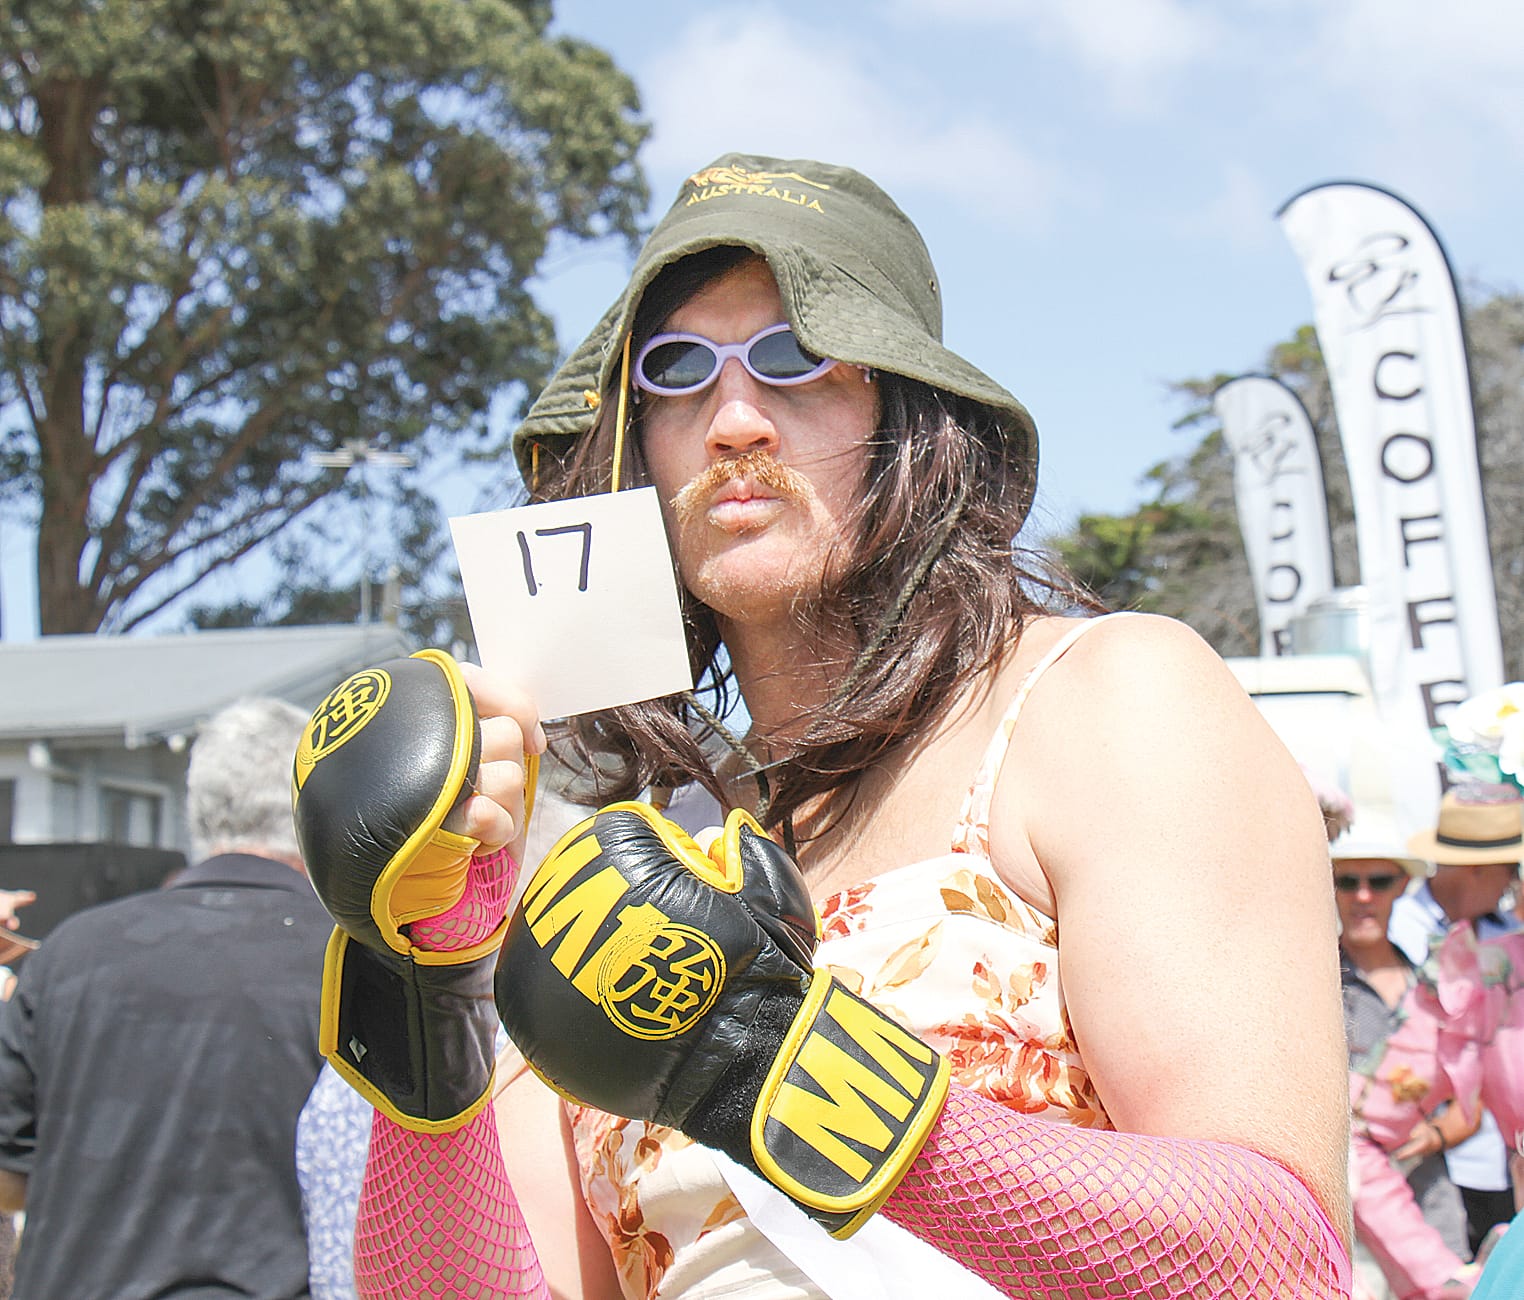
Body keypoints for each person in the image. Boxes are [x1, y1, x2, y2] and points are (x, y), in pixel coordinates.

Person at [296, 153, 1354, 1299]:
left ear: (911, 417)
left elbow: (1278, 1262)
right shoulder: (639, 858)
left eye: (802, 355)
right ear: (635, 449)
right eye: (678, 368)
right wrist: (429, 979)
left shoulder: (1107, 702)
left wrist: (775, 1069)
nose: (734, 420)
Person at [0, 697, 333, 1299]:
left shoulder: (69, 952)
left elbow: (8, 1173)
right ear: (315, 807)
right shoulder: (356, 961)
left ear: (195, 808)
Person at [1337, 829, 1480, 1297]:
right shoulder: (1315, 986)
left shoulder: (1433, 985)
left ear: (1400, 886)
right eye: (1346, 881)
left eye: (1378, 881)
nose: (1363, 896)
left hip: (1435, 1211)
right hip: (1352, 1238)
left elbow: (1471, 1099)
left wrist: (1436, 1134)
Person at [1396, 794, 1524, 1254]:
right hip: (1420, 1154)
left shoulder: (1506, 938)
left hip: (1493, 1161)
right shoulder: (1396, 932)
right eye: (1512, 869)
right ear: (1479, 869)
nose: (1513, 882)